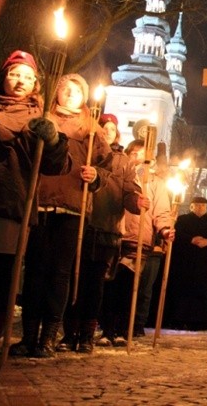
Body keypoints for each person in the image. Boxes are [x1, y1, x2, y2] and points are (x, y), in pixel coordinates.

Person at [0, 51, 69, 366]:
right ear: (3, 77)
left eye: (28, 77)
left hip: (8, 201)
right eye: (15, 74)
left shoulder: (37, 117)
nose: (21, 81)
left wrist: (53, 140)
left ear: (35, 85)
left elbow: (57, 164)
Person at [11, 73, 114, 359]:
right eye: (65, 89)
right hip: (39, 201)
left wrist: (95, 176)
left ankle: (48, 336)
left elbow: (106, 166)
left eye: (76, 91)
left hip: (71, 207)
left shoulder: (91, 129)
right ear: (56, 93)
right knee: (34, 270)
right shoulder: (42, 118)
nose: (70, 94)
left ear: (84, 97)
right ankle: (28, 335)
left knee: (59, 273)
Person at [57, 113, 142, 353]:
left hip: (105, 226)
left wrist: (137, 202)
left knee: (94, 284)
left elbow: (128, 191)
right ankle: (68, 331)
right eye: (102, 128)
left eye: (112, 129)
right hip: (79, 221)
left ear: (117, 135)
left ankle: (86, 334)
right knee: (73, 278)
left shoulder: (122, 161)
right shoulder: (83, 150)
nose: (107, 132)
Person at [97, 139, 173, 346]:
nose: (139, 158)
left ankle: (123, 329)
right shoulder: (118, 176)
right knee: (109, 284)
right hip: (114, 234)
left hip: (137, 239)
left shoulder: (155, 183)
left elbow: (162, 211)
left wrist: (165, 229)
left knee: (128, 286)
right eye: (135, 153)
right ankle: (106, 329)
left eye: (143, 155)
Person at [168, 196, 207, 330]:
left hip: (204, 263)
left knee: (201, 292)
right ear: (191, 206)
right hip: (184, 262)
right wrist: (190, 239)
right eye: (197, 205)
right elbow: (177, 236)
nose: (200, 208)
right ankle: (180, 319)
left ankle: (198, 321)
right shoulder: (183, 220)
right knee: (183, 291)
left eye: (203, 206)